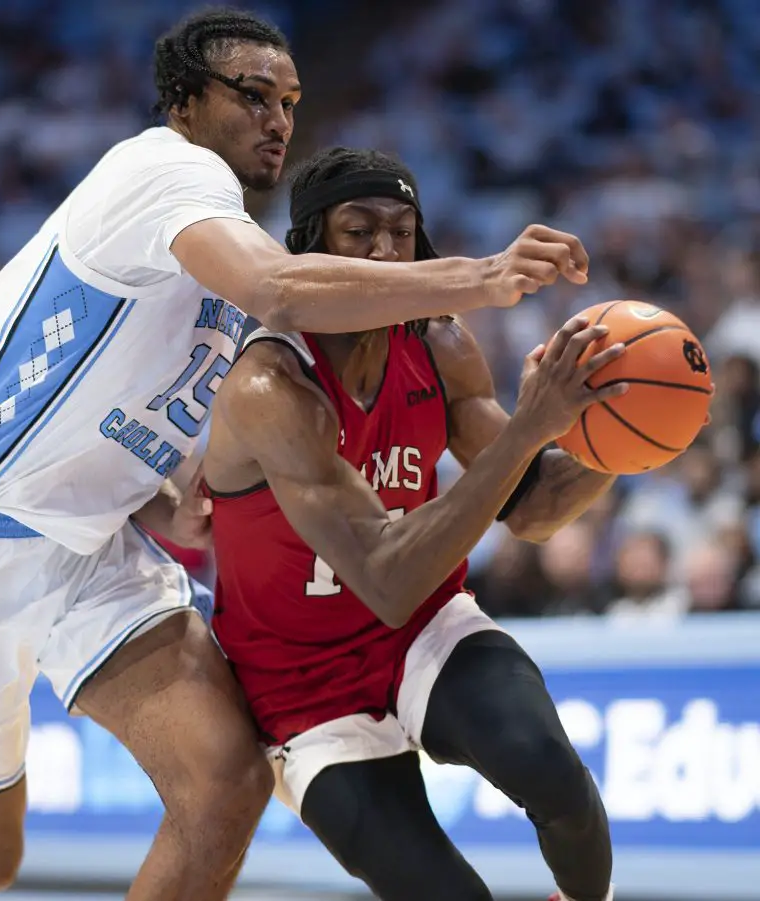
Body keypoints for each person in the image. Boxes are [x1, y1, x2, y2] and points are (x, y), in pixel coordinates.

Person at [0, 8, 595, 900]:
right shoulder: (161, 171)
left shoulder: (222, 240)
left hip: (95, 550)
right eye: (253, 95)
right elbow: (277, 288)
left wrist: (167, 490)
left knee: (227, 784)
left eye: (289, 101)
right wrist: (481, 276)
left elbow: (129, 391)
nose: (278, 119)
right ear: (183, 102)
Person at [204, 147, 619, 901]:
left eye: (401, 232)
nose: (386, 252)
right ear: (312, 247)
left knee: (555, 777)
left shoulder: (440, 344)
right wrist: (532, 427)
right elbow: (386, 578)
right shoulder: (270, 385)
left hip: (425, 631)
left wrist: (624, 436)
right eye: (359, 231)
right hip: (301, 684)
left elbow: (532, 508)